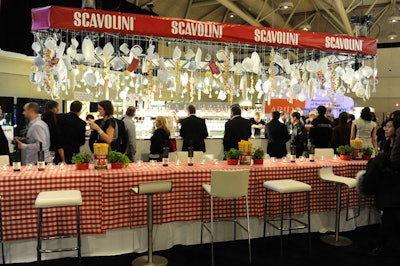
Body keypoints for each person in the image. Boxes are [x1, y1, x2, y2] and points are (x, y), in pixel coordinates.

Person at [357, 117, 400, 256]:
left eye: (389, 126)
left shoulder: (396, 147)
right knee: (388, 216)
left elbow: (394, 164)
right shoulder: (388, 144)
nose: (385, 129)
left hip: (393, 186)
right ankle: (383, 243)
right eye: (385, 126)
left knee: (389, 215)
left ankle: (382, 245)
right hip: (387, 185)